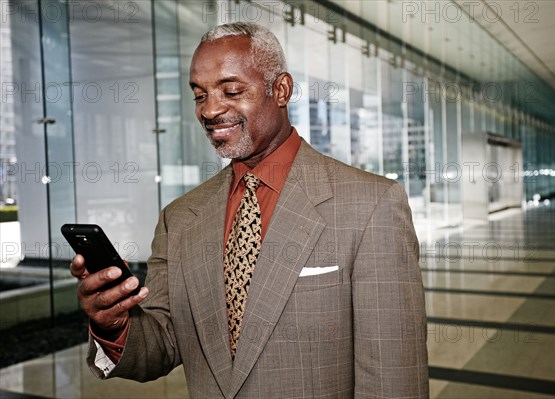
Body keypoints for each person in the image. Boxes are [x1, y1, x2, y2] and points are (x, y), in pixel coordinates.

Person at [71, 22, 428, 398]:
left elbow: (394, 379)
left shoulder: (371, 205)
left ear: (281, 89)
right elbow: (163, 345)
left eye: (231, 90)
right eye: (199, 95)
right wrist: (113, 324)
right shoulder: (179, 218)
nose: (210, 109)